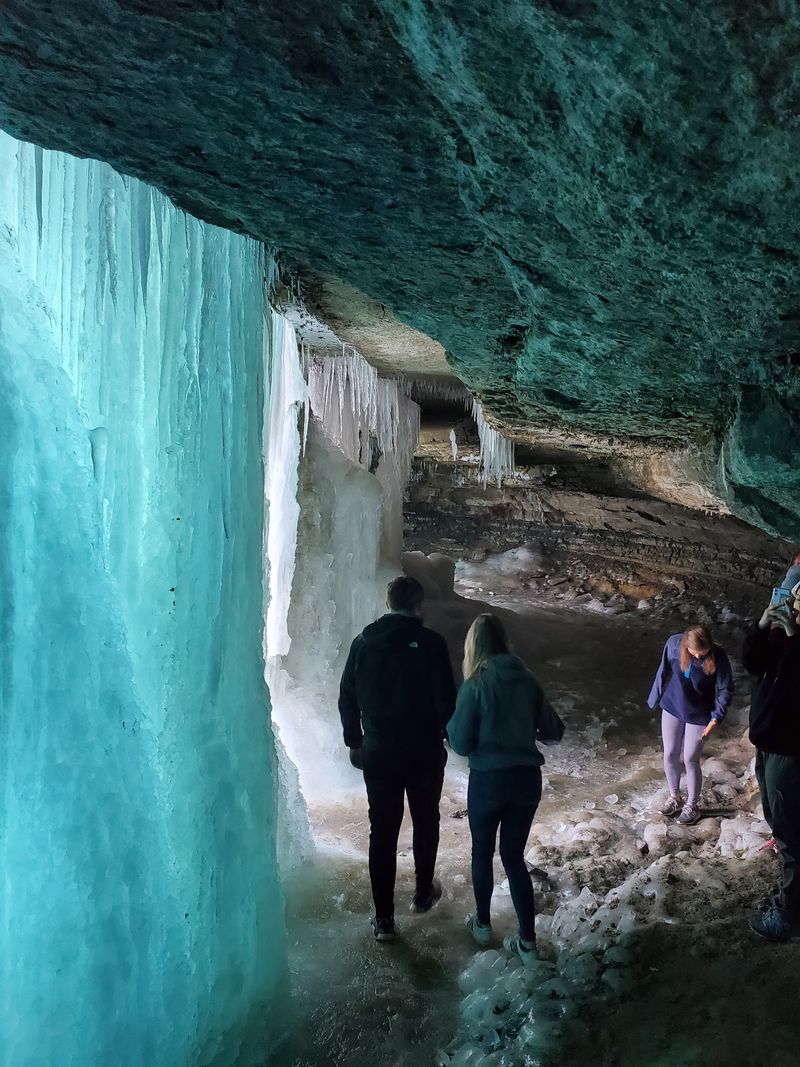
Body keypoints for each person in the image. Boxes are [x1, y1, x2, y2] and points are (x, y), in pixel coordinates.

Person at [338, 575, 457, 942]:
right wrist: (448, 734)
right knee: (425, 821)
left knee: (383, 831)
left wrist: (355, 742)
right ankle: (423, 893)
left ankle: (384, 920)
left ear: (388, 603)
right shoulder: (433, 643)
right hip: (422, 749)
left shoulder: (363, 643)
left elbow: (348, 697)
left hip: (380, 749)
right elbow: (446, 700)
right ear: (418, 606)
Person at [447, 613, 564, 966]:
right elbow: (554, 730)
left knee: (482, 852)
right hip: (526, 779)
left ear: (474, 646)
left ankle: (482, 925)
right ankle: (527, 943)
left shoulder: (476, 685)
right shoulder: (527, 680)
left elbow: (461, 742)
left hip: (489, 780)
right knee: (513, 857)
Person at [743, 581, 800, 941]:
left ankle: (790, 920)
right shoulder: (786, 640)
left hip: (792, 755)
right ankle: (790, 901)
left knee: (794, 837)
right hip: (769, 747)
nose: (794, 607)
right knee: (782, 829)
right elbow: (754, 663)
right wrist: (762, 627)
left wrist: (795, 637)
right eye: (795, 599)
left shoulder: (797, 645)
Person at [647, 625, 734, 825]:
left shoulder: (718, 656)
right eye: (695, 652)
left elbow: (726, 689)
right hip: (672, 706)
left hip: (700, 713)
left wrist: (715, 719)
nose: (698, 656)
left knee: (690, 759)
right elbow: (664, 669)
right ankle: (675, 797)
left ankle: (692, 805)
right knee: (669, 753)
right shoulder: (674, 643)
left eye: (702, 653)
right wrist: (654, 697)